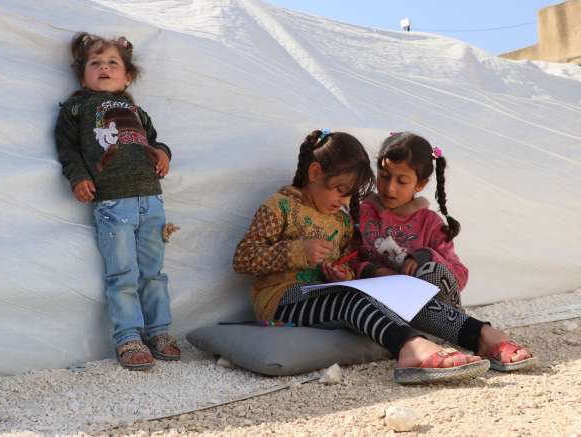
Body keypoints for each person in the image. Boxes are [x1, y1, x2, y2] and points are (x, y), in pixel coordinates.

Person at [233, 130, 491, 384]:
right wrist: (298, 250)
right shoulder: (280, 207)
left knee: (396, 295)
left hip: (323, 296)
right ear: (314, 173)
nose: (343, 200)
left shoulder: (341, 221)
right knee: (351, 298)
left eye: (349, 194)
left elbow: (347, 264)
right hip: (281, 299)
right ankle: (410, 349)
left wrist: (340, 274)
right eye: (339, 190)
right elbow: (244, 259)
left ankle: (477, 334)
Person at [350, 131, 537, 372]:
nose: (390, 188)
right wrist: (375, 271)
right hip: (387, 308)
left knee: (432, 270)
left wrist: (425, 256)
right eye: (384, 176)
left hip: (432, 304)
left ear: (420, 184)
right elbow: (349, 260)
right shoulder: (361, 214)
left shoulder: (429, 222)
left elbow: (459, 275)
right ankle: (476, 336)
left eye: (402, 181)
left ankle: (450, 337)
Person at [54, 32, 180, 370]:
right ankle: (128, 337)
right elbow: (67, 150)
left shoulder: (135, 109)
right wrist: (79, 177)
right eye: (95, 63)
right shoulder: (76, 107)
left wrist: (163, 154)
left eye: (113, 63)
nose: (104, 68)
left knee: (153, 272)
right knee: (122, 273)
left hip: (151, 200)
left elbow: (155, 141)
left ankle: (160, 331)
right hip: (113, 204)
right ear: (83, 76)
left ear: (127, 76)